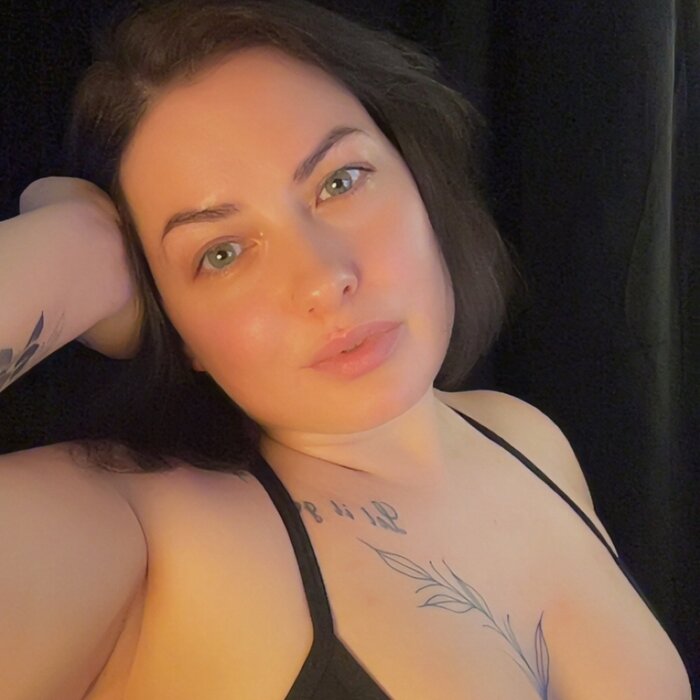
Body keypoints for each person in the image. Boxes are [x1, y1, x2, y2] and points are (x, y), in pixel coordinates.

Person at [0, 0, 691, 698]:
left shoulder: (525, 436)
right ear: (172, 324)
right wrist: (76, 252)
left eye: (339, 181)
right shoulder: (138, 539)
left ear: (416, 175)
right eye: (222, 252)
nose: (324, 278)